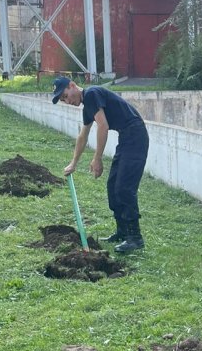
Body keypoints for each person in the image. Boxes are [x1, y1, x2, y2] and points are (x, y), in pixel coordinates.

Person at [52, 76, 149, 253]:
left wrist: (97, 158)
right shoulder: (87, 106)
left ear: (72, 86)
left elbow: (103, 126)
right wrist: (73, 163)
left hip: (136, 135)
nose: (67, 101)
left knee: (124, 188)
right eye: (63, 100)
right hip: (126, 138)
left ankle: (135, 237)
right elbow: (83, 136)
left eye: (65, 95)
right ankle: (122, 231)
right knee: (113, 186)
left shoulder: (92, 94)